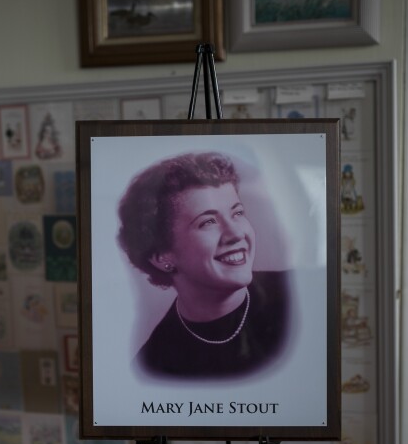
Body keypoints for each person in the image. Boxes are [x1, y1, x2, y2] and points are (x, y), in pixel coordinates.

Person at [117, 152, 290, 380]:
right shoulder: (156, 365)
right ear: (161, 256)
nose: (236, 233)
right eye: (208, 222)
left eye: (237, 213)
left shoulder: (301, 297)